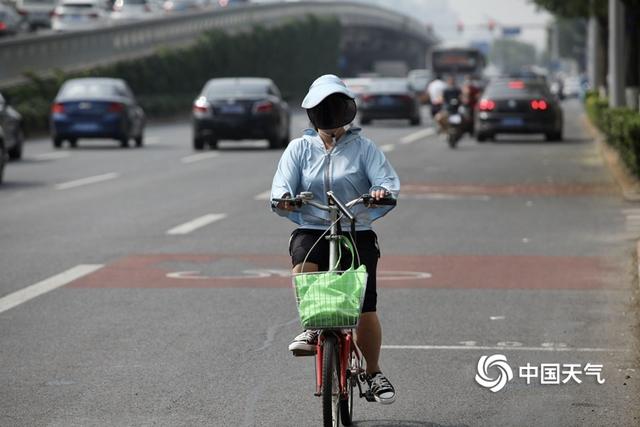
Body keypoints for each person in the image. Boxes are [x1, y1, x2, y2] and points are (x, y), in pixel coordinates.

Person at [270, 74, 400, 404]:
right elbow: (281, 186)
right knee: (303, 265)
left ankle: (372, 371)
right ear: (312, 113)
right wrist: (285, 198)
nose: (330, 114)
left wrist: (379, 192)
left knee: (364, 305)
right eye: (323, 108)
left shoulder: (364, 148)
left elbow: (385, 180)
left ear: (347, 110)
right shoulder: (298, 149)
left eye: (336, 106)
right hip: (313, 226)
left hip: (355, 228)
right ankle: (314, 327)